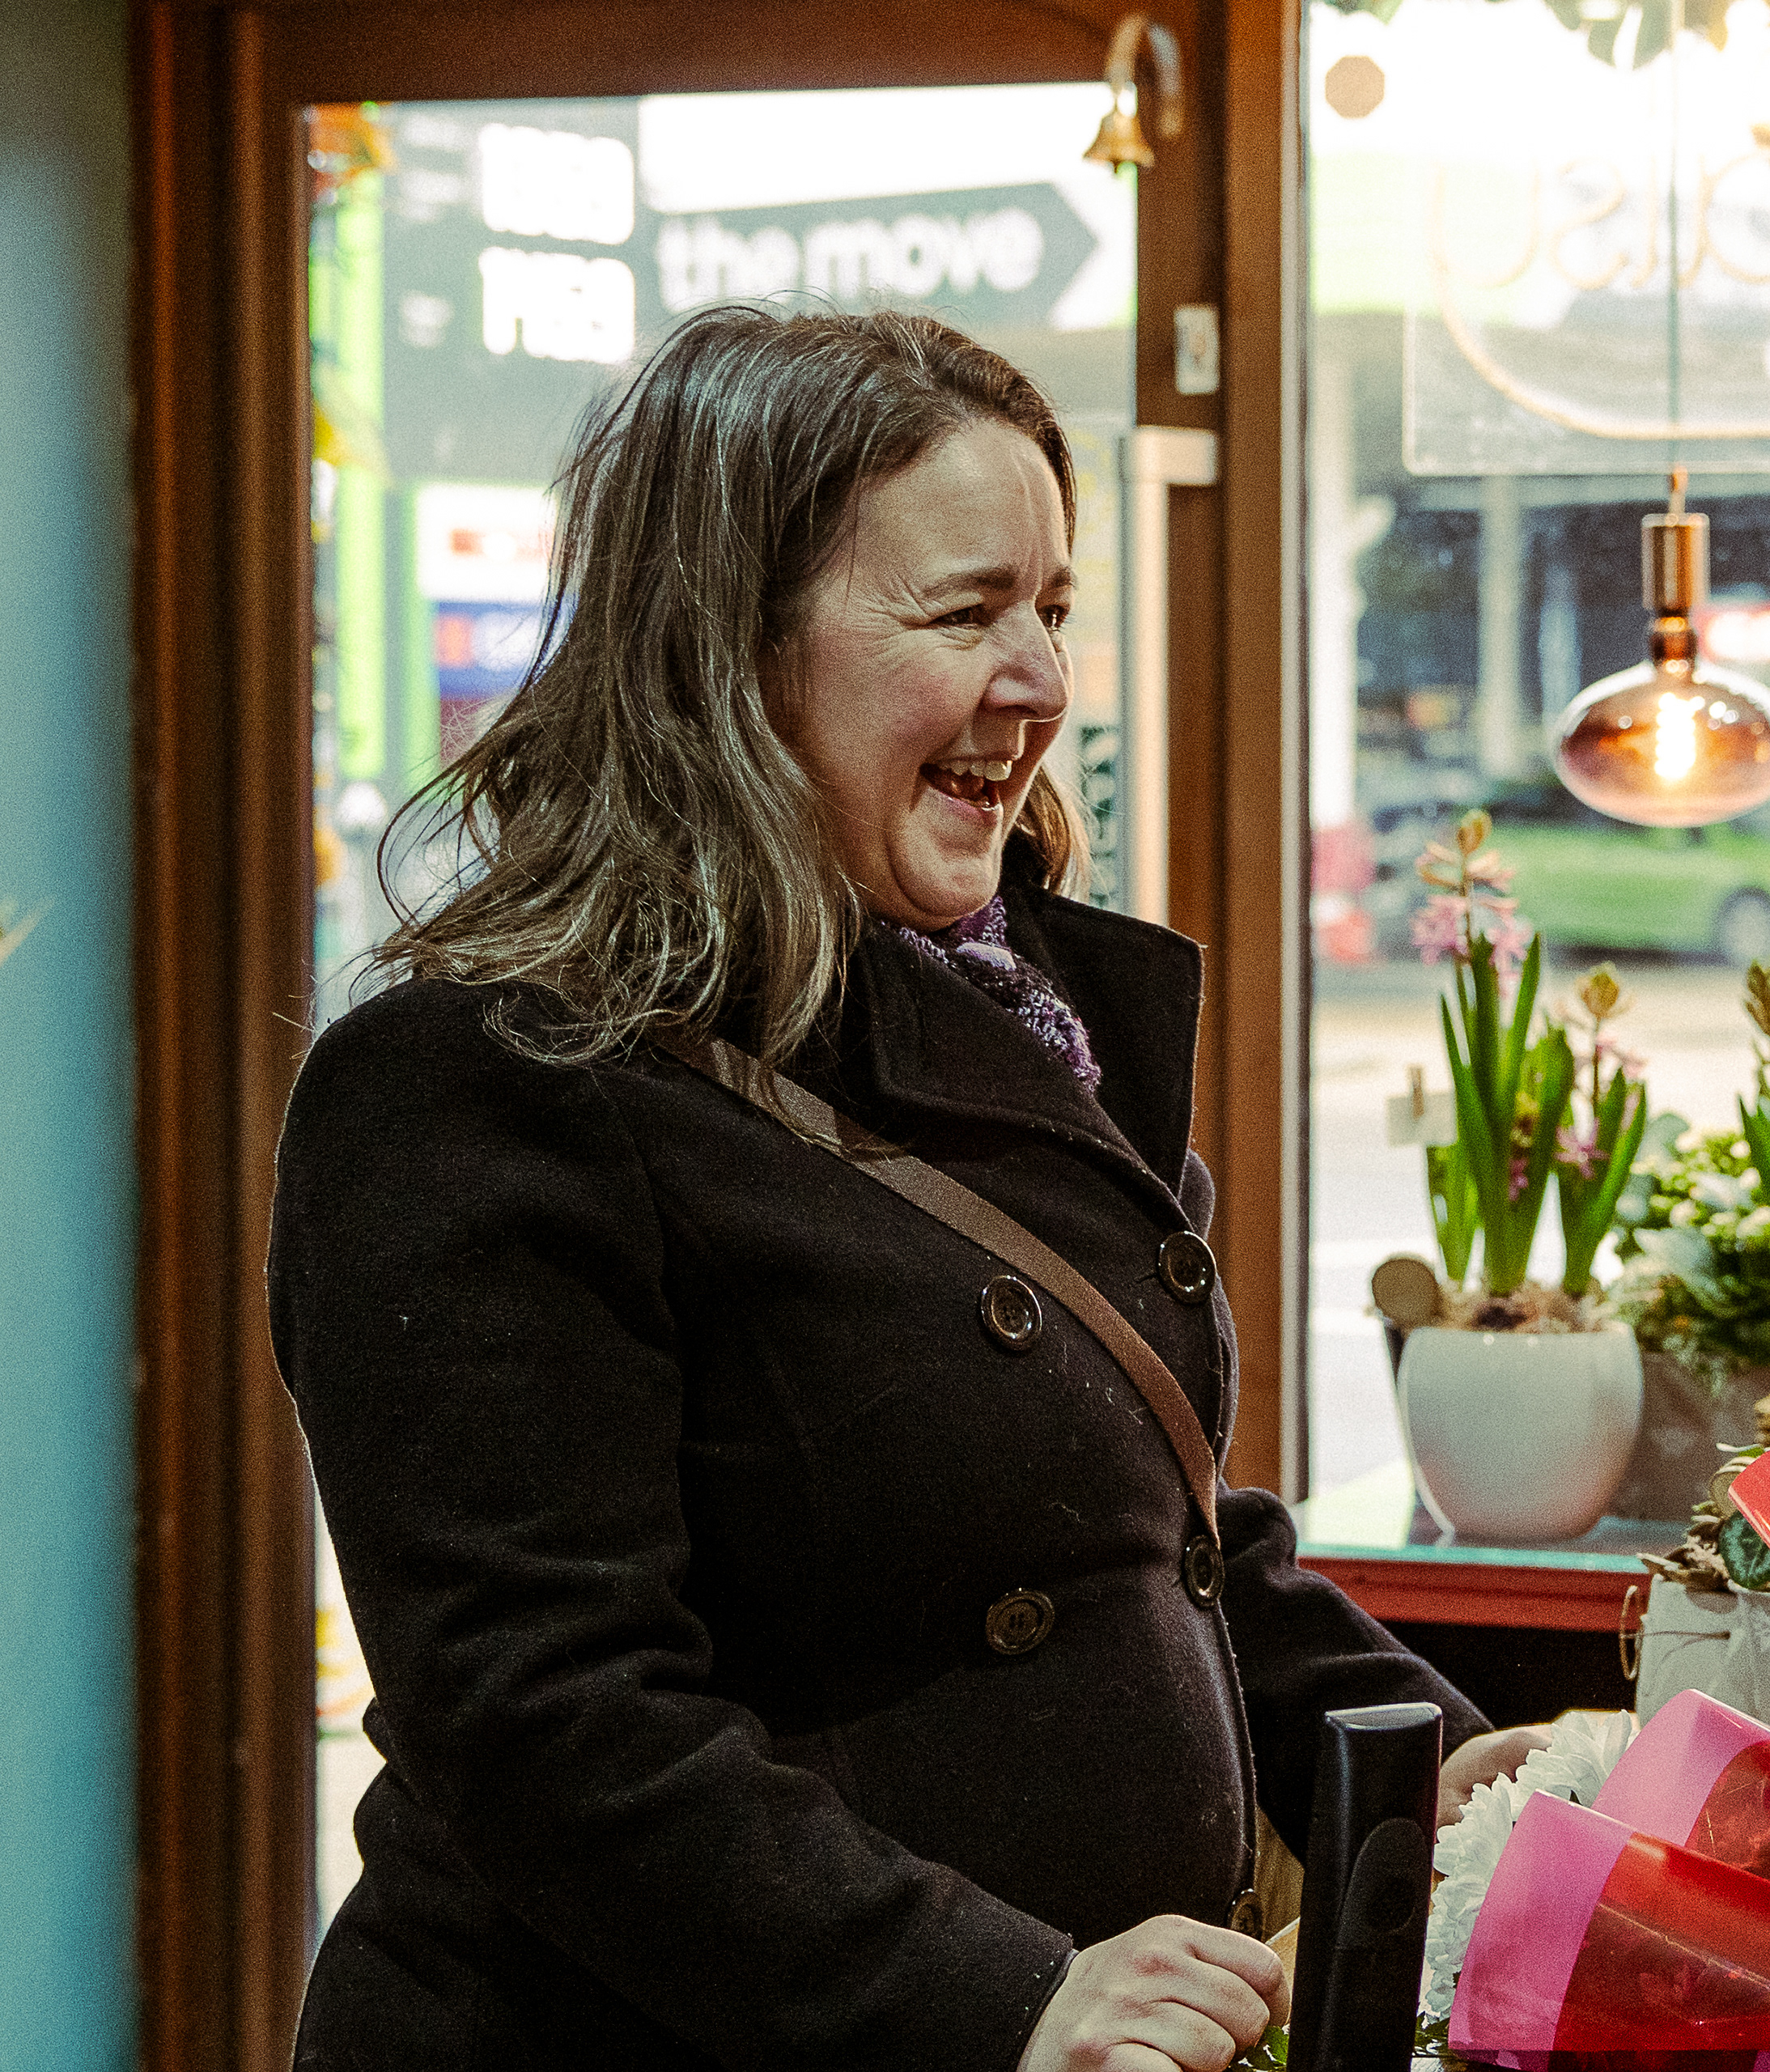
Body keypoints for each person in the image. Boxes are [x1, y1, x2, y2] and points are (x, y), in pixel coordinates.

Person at [276, 306, 1539, 2072]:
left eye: (1053, 606)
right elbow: (546, 1718)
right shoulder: (474, 1078)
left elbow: (1133, 1527)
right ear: (729, 646)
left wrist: (1432, 1752)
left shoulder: (993, 1007)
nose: (1038, 681)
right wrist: (995, 1988)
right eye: (963, 612)